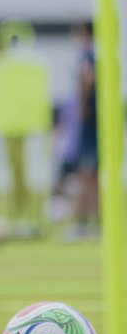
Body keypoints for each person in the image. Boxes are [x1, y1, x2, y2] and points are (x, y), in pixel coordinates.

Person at [66, 21, 99, 242]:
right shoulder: (101, 54)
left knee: (86, 176)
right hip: (98, 122)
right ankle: (95, 224)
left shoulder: (88, 55)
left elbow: (87, 77)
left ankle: (83, 224)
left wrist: (83, 107)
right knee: (93, 176)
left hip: (91, 123)